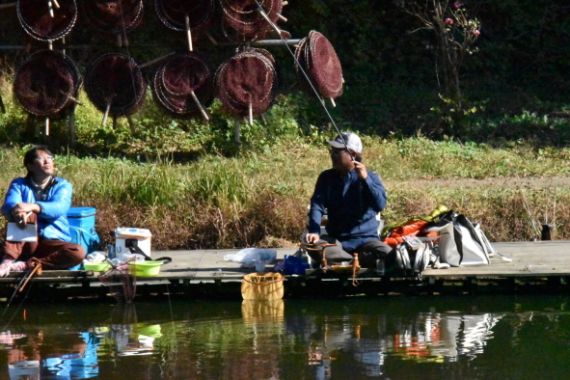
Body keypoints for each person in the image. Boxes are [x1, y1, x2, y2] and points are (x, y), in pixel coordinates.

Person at [305, 132, 392, 269]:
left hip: (366, 242)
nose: (332, 155)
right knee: (311, 244)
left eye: (337, 152)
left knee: (388, 254)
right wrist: (314, 231)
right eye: (332, 151)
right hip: (337, 243)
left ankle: (345, 262)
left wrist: (366, 180)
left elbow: (380, 204)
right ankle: (351, 261)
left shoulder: (371, 177)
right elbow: (317, 205)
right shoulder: (326, 177)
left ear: (352, 154)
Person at [0, 146, 85, 277]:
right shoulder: (19, 184)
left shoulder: (62, 185)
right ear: (30, 166)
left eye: (50, 158)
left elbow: (59, 207)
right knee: (23, 211)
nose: (48, 162)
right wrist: (18, 211)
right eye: (42, 159)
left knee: (77, 252)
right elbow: (9, 204)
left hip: (51, 242)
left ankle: (28, 265)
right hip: (25, 243)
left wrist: (34, 206)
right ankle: (8, 260)